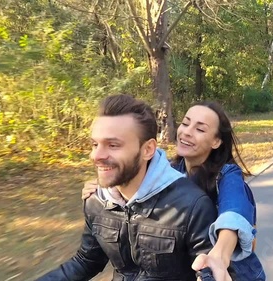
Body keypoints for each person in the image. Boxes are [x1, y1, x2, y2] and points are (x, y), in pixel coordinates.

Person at [37, 94, 226, 281]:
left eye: (113, 145)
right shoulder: (96, 201)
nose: (96, 156)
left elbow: (208, 270)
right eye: (95, 144)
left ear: (147, 150)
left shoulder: (192, 205)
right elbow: (86, 260)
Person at [82, 101, 266, 280]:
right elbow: (136, 182)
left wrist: (219, 255)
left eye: (200, 129)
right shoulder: (171, 171)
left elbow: (235, 212)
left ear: (216, 141)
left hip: (232, 273)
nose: (187, 132)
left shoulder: (227, 176)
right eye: (185, 123)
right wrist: (106, 185)